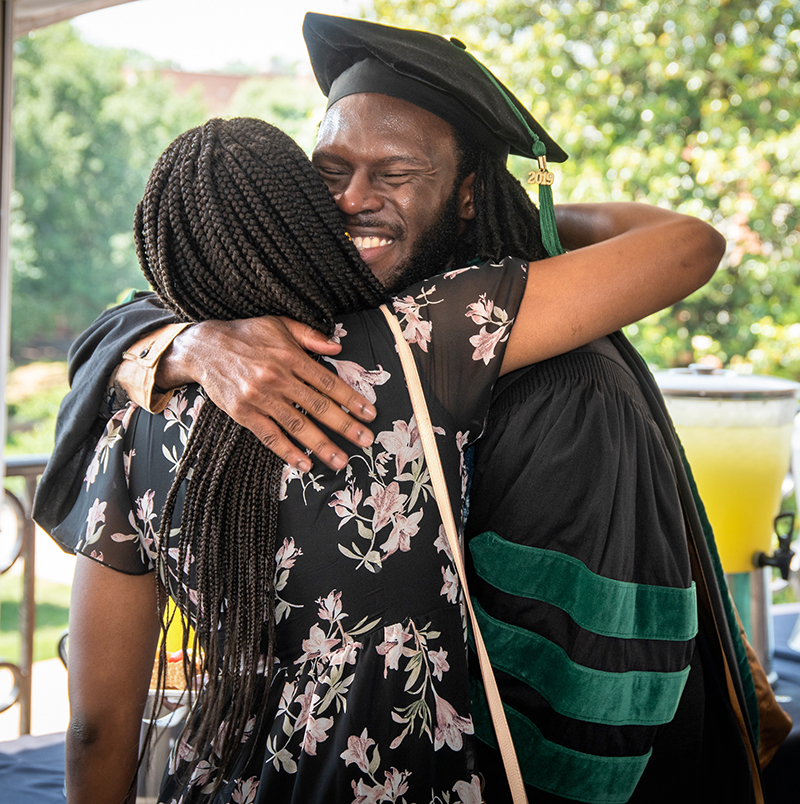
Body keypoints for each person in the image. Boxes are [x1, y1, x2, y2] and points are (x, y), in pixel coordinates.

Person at [34, 13, 788, 804]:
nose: (354, 199)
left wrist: (174, 345)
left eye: (396, 173)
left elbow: (94, 724)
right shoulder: (416, 346)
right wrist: (188, 343)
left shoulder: (135, 410)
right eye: (329, 170)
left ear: (469, 196)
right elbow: (683, 244)